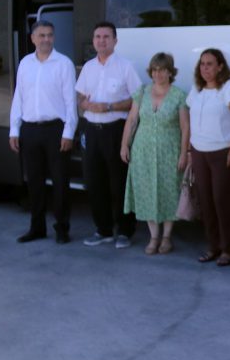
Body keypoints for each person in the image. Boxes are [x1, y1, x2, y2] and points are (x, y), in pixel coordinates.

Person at [9, 19, 78, 244]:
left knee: (60, 182)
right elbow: (18, 98)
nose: (46, 39)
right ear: (33, 38)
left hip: (55, 130)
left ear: (54, 38)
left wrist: (68, 133)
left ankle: (61, 229)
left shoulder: (64, 64)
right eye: (41, 35)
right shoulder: (25, 64)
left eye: (49, 35)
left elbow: (71, 102)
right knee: (35, 183)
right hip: (30, 130)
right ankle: (37, 228)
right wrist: (14, 129)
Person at [76, 21, 142, 249]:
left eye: (106, 37)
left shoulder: (125, 67)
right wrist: (85, 104)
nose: (101, 41)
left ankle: (125, 231)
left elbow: (137, 100)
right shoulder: (88, 67)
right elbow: (80, 98)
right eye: (97, 37)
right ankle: (102, 229)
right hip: (91, 131)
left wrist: (110, 107)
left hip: (116, 131)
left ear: (115, 40)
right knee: (94, 182)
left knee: (120, 183)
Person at [121, 52, 190, 255]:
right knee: (146, 192)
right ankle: (153, 237)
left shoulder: (179, 95)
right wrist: (124, 145)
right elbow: (132, 120)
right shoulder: (142, 92)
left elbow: (185, 127)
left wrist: (184, 153)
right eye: (155, 70)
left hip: (169, 151)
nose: (158, 74)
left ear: (170, 72)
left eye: (162, 70)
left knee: (169, 191)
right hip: (142, 151)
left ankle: (167, 237)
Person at [186, 48, 230, 266]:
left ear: (220, 66)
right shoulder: (197, 90)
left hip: (222, 152)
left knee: (223, 201)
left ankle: (228, 249)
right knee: (206, 202)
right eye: (202, 64)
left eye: (210, 64)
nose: (205, 68)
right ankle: (213, 246)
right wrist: (191, 151)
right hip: (200, 152)